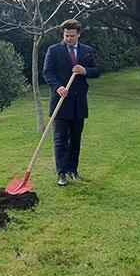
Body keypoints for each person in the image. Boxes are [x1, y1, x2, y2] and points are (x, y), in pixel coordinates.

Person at [43, 19, 100, 187]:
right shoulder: (54, 50)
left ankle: (73, 170)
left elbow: (97, 71)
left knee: (75, 140)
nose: (68, 38)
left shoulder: (87, 51)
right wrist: (57, 87)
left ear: (79, 35)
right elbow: (47, 72)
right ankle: (61, 173)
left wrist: (85, 70)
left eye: (71, 36)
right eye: (66, 35)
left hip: (78, 104)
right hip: (60, 103)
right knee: (60, 140)